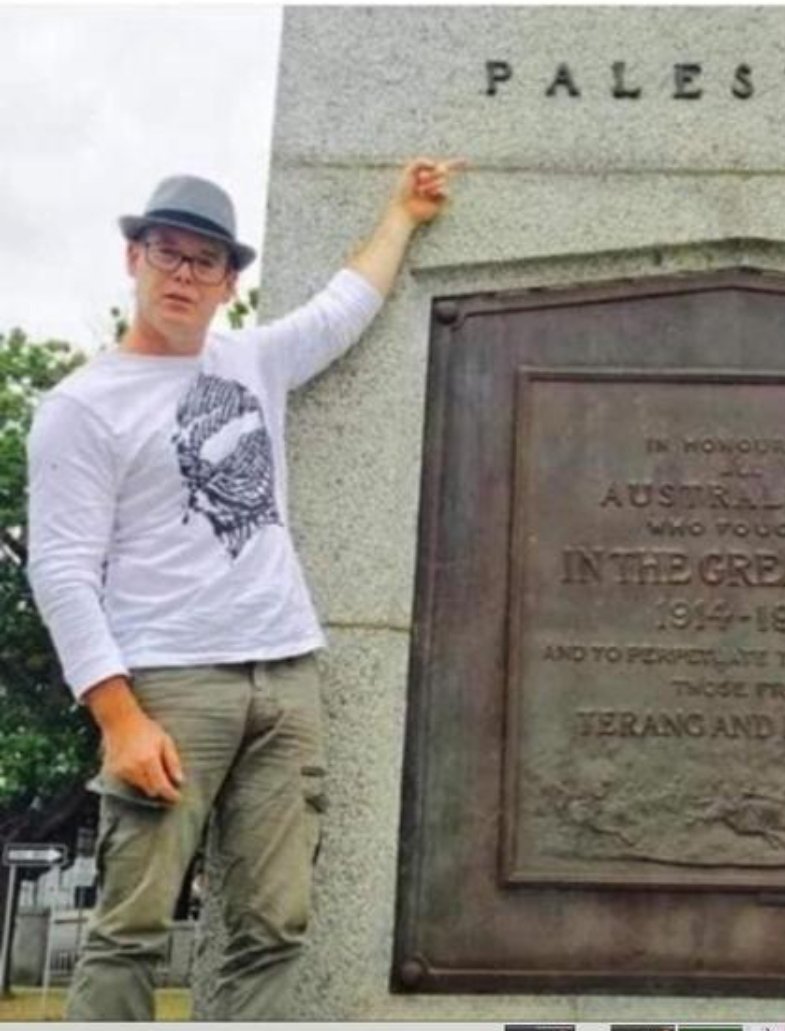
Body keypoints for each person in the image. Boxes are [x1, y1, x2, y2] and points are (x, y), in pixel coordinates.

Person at [26, 157, 463, 1021]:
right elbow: (63, 566)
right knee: (131, 927)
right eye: (168, 253)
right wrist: (120, 718)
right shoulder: (83, 406)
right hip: (170, 685)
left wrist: (402, 216)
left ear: (228, 280)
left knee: (274, 925)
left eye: (204, 261)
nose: (184, 275)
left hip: (286, 675)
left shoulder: (251, 361)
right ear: (134, 261)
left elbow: (344, 308)